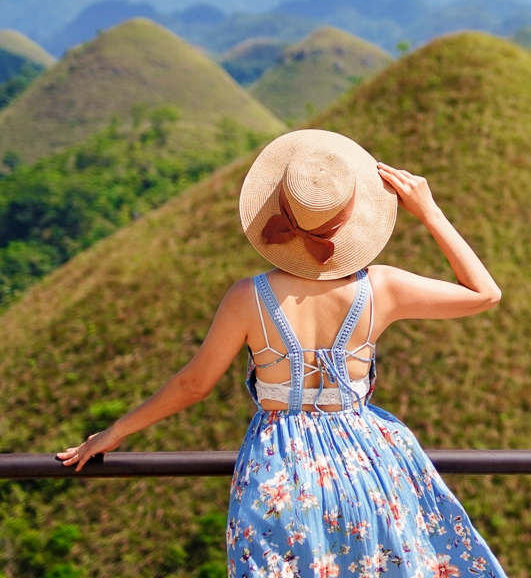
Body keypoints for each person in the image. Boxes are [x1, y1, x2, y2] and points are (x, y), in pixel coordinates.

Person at [59, 129, 507, 578]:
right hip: (371, 466)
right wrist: (429, 213)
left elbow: (193, 385)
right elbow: (485, 293)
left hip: (279, 472)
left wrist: (114, 432)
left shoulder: (248, 297)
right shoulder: (383, 288)